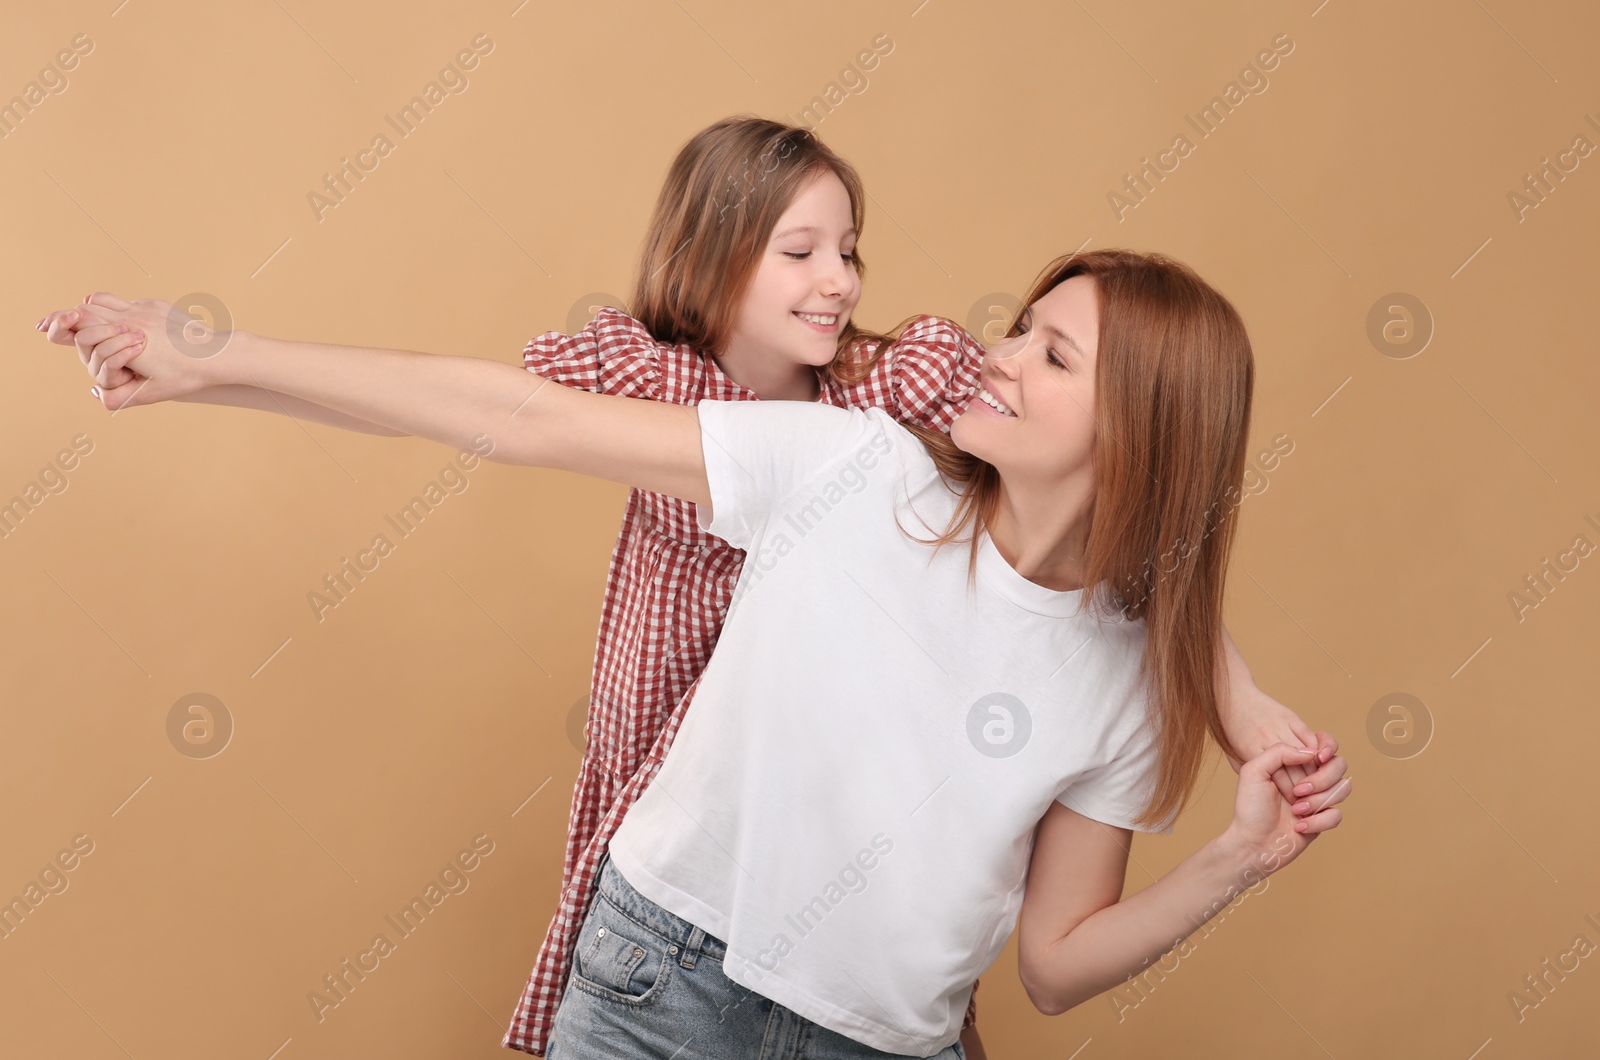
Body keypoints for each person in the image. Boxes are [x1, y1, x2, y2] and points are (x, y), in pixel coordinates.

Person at [40, 119, 1334, 1059]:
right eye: (1019, 327)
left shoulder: (1117, 675)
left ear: (1143, 430)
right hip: (660, 987)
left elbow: (1054, 969)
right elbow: (512, 417)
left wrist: (1234, 858)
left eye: (1051, 354)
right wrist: (213, 354)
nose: (999, 358)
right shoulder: (854, 463)